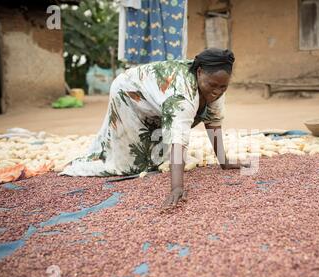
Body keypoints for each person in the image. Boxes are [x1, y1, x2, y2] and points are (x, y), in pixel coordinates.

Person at [61, 48, 246, 208]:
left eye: (223, 87)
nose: (217, 91)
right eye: (213, 85)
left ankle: (153, 154)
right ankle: (86, 162)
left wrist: (224, 161)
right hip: (129, 93)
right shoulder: (181, 95)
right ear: (199, 72)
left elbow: (213, 121)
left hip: (157, 96)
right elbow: (178, 137)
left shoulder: (215, 85)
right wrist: (177, 188)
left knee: (157, 155)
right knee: (130, 165)